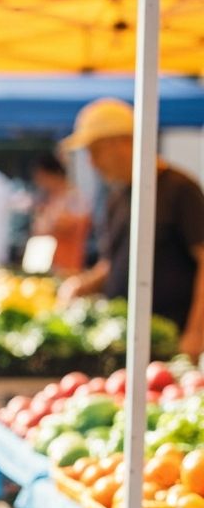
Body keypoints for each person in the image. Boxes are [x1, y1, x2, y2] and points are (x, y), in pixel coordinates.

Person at [58, 98, 204, 359]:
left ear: (122, 143)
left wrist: (196, 332)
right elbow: (112, 262)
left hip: (173, 338)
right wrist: (82, 285)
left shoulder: (181, 189)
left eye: (95, 151)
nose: (92, 162)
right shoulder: (117, 197)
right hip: (125, 338)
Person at [29, 152, 91, 275]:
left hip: (68, 265)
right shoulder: (49, 198)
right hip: (47, 263)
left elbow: (80, 225)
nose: (40, 183)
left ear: (54, 174)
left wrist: (51, 223)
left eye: (42, 177)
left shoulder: (73, 197)